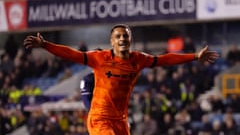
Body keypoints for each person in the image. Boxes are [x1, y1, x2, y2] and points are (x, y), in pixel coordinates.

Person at [23, 24, 219, 135]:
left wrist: (194, 56)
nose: (122, 39)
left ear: (130, 39)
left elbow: (166, 59)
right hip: (100, 118)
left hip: (121, 120)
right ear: (112, 41)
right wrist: (45, 45)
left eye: (125, 36)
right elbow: (71, 53)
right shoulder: (99, 58)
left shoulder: (139, 59)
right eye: (118, 36)